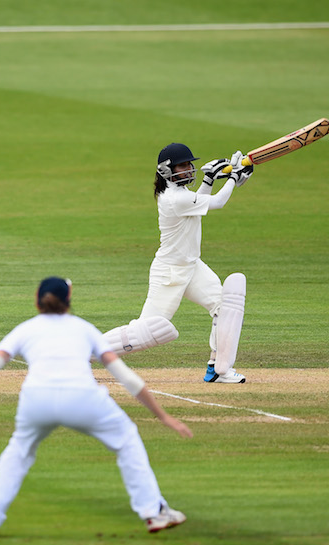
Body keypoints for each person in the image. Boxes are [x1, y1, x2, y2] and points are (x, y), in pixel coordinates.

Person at [0, 277, 193, 537]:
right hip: (83, 398)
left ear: (37, 301)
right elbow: (127, 378)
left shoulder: (26, 329)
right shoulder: (84, 328)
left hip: (36, 400)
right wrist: (163, 416)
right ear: (68, 300)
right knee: (126, 439)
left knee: (18, 452)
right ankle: (153, 512)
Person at [103, 144, 253, 383]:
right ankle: (85, 353)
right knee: (146, 330)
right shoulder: (173, 198)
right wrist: (233, 178)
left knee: (223, 306)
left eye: (189, 164)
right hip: (170, 272)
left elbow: (199, 202)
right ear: (166, 170)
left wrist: (212, 178)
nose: (189, 169)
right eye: (183, 165)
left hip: (192, 266)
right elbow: (216, 203)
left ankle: (218, 368)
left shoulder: (183, 196)